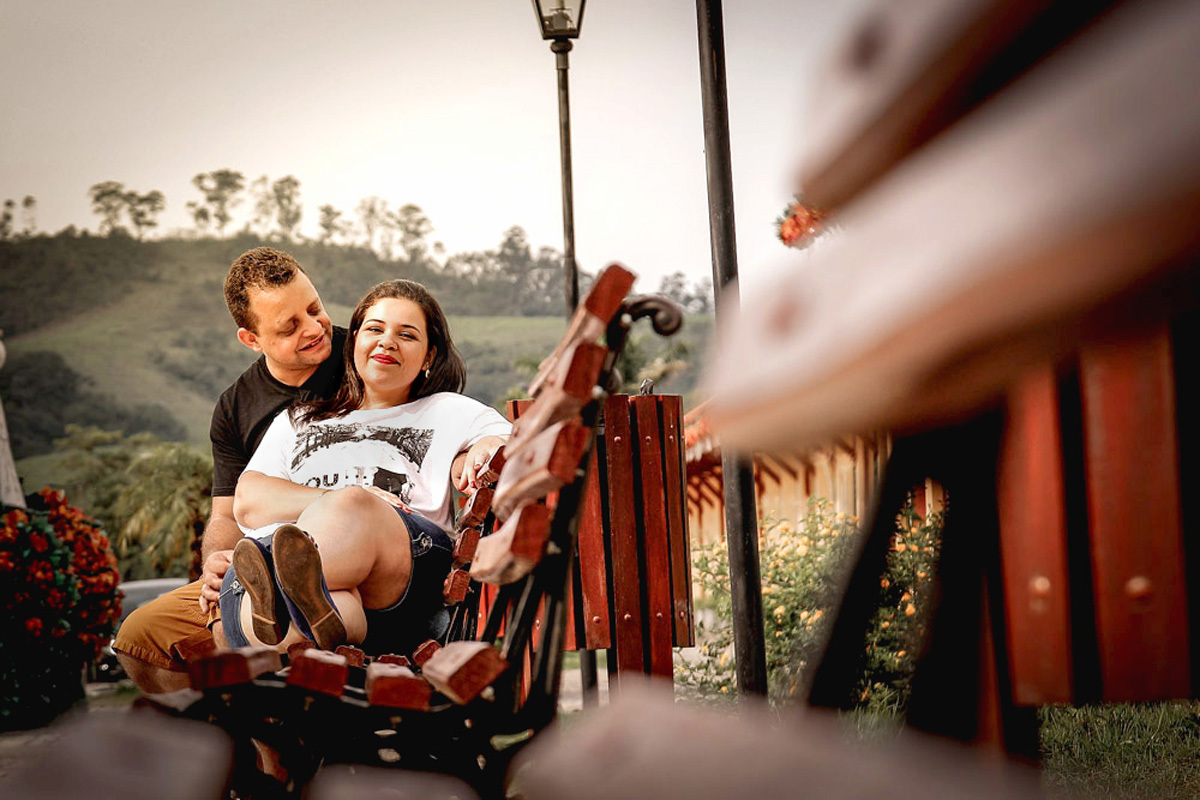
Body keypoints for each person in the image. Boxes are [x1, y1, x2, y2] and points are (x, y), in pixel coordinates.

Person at [220, 279, 510, 654]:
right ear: (354, 340)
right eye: (375, 329)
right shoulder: (300, 419)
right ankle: (309, 604)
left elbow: (513, 443)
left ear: (429, 357)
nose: (388, 341)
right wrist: (330, 497)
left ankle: (278, 583)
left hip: (401, 577)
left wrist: (487, 442)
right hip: (298, 601)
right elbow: (249, 500)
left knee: (355, 505)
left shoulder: (450, 410)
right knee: (333, 608)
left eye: (406, 335)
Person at [113, 247, 345, 692]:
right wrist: (214, 565)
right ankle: (232, 741)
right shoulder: (235, 406)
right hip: (255, 561)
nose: (315, 328)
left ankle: (273, 752)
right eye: (289, 327)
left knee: (242, 634)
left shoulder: (364, 356)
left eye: (314, 308)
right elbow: (225, 514)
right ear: (251, 339)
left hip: (337, 553)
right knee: (139, 638)